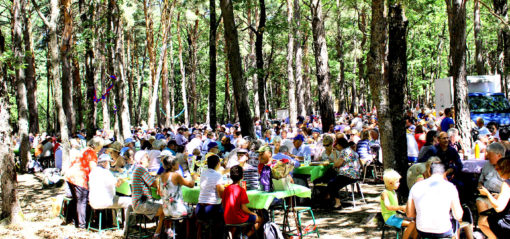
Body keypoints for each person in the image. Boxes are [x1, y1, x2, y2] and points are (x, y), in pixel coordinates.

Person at [407, 163, 463, 238]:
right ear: (444, 173)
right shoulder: (450, 187)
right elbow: (458, 215)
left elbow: (409, 214)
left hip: (422, 230)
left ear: (429, 172)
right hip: (443, 231)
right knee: (456, 224)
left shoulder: (416, 186)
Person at [64, 137, 103, 228]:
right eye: (100, 147)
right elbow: (93, 169)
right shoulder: (92, 153)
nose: (100, 149)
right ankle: (82, 224)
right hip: (79, 177)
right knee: (82, 200)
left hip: (70, 175)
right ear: (97, 146)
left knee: (76, 200)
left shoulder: (84, 150)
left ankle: (74, 220)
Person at [159, 154, 197, 236]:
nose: (179, 165)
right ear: (172, 166)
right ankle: (189, 234)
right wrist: (194, 178)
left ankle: (177, 230)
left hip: (166, 210)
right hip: (177, 210)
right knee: (194, 210)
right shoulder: (176, 175)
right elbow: (191, 185)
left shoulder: (161, 176)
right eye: (177, 163)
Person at [131, 149, 164, 238]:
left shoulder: (138, 169)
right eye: (146, 157)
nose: (149, 159)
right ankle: (158, 234)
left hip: (139, 202)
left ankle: (162, 232)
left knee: (164, 207)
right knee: (165, 210)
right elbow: (153, 183)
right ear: (141, 160)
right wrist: (159, 178)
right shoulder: (141, 169)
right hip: (141, 203)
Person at [222, 165, 262, 237]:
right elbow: (244, 208)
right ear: (242, 177)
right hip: (239, 218)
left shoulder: (226, 189)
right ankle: (246, 236)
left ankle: (238, 235)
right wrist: (253, 213)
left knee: (243, 222)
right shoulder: (241, 190)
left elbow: (223, 205)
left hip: (227, 218)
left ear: (230, 176)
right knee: (260, 219)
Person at [476, 143, 506, 237]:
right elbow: (480, 181)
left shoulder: (506, 167)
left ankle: (491, 234)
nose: (487, 156)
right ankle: (490, 233)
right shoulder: (487, 165)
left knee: (483, 222)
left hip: (500, 198)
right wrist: (481, 188)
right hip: (486, 195)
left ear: (499, 155)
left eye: (490, 154)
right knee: (480, 201)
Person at [380, 169, 417, 239]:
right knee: (412, 224)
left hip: (395, 215)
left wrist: (404, 210)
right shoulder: (385, 193)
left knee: (416, 221)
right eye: (397, 182)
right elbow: (388, 206)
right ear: (390, 183)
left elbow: (395, 207)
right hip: (389, 218)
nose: (399, 183)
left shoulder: (393, 192)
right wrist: (401, 207)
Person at [328, 138, 361, 209]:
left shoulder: (344, 152)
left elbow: (337, 164)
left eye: (336, 145)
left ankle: (337, 203)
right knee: (333, 179)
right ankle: (331, 199)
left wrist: (334, 155)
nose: (335, 146)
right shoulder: (350, 150)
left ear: (340, 145)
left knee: (331, 183)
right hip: (355, 175)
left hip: (348, 175)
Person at [196, 155, 225, 226]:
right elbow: (221, 194)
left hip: (199, 208)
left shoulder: (203, 173)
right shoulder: (218, 175)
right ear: (218, 164)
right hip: (212, 209)